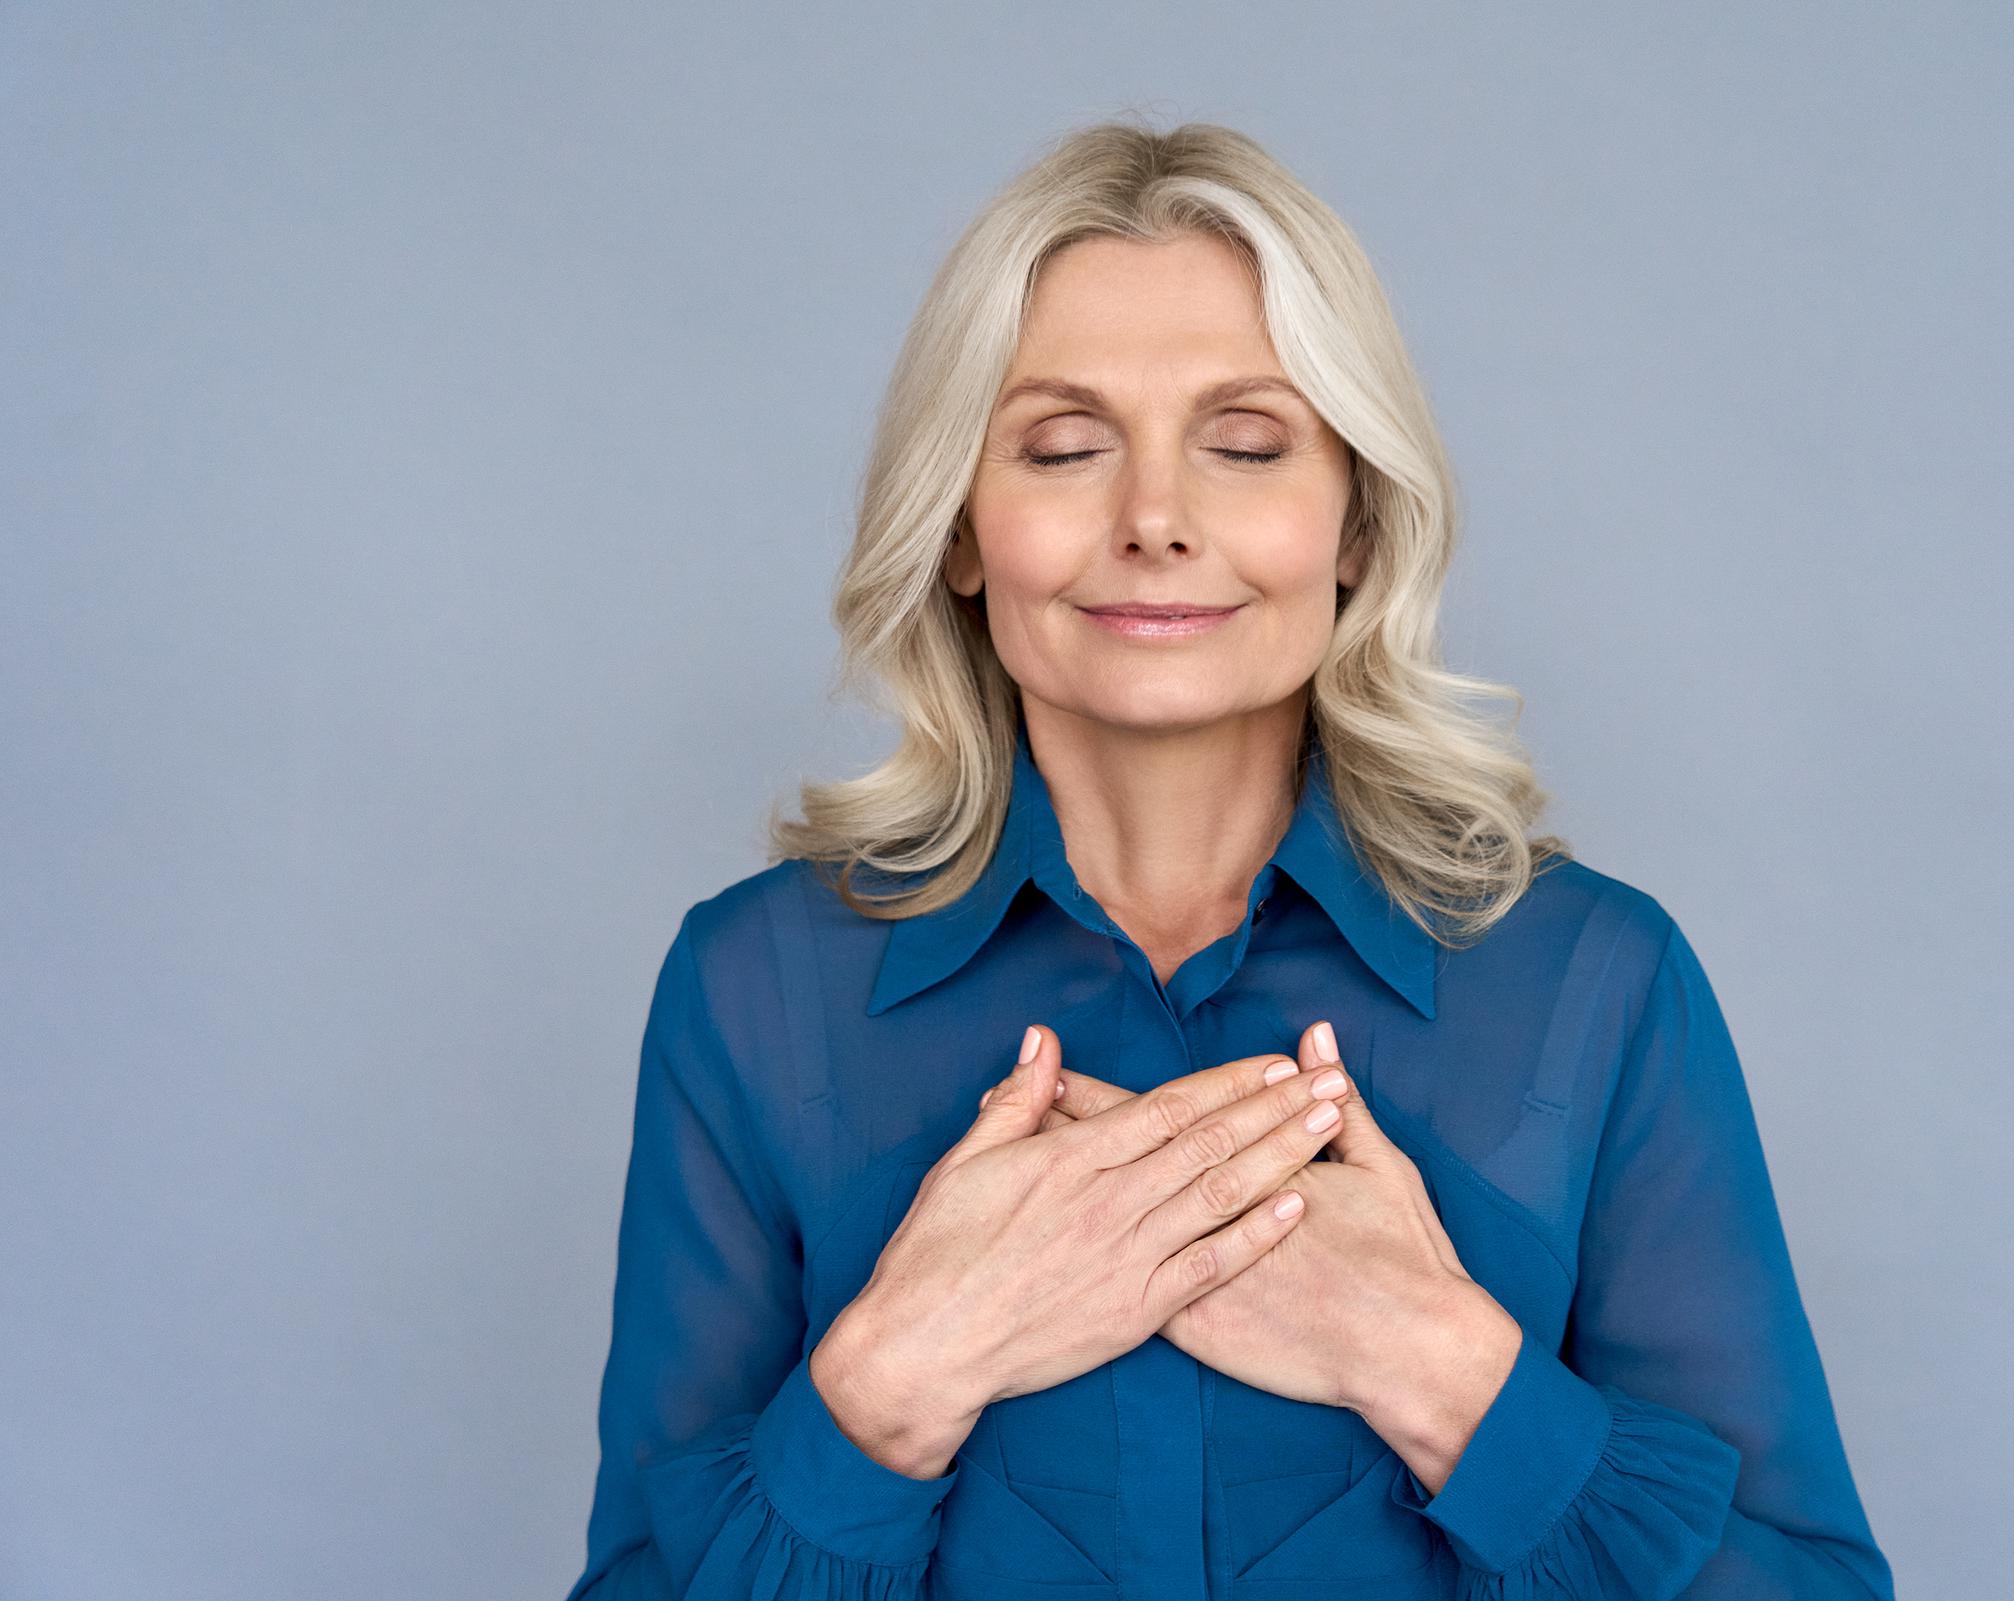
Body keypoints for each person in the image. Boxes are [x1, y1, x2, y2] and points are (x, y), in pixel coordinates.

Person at [563, 119, 1895, 1600]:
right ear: (957, 529)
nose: (1154, 521)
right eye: (1065, 447)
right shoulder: (755, 992)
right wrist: (895, 1373)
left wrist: (1446, 1372)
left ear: (1355, 521)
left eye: (1247, 444)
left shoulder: (1594, 980)